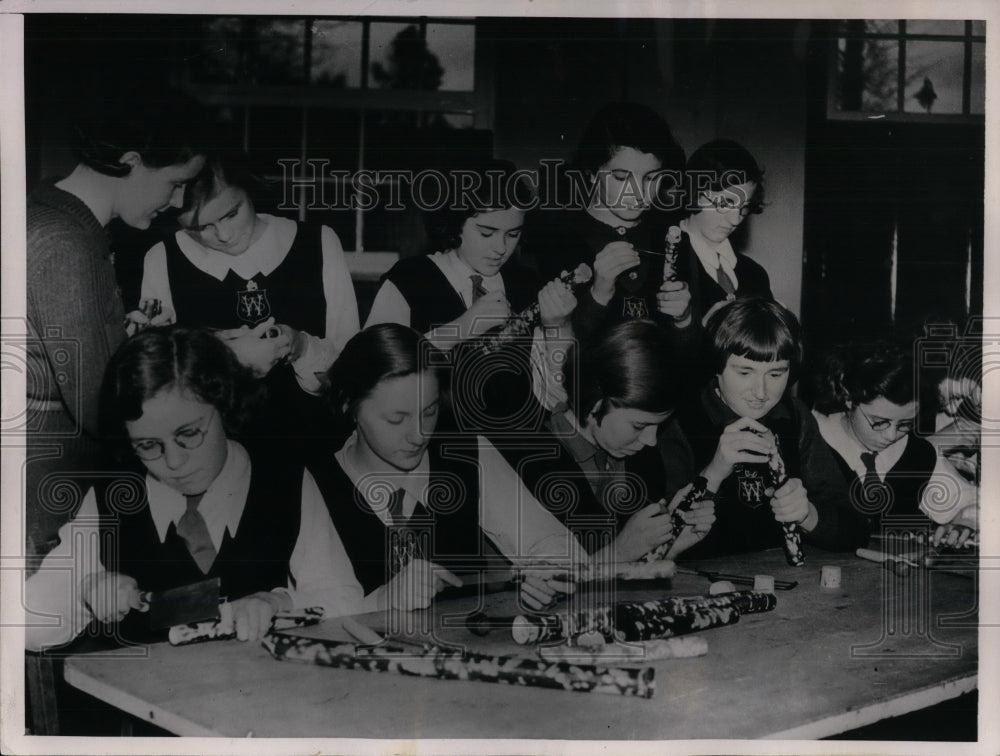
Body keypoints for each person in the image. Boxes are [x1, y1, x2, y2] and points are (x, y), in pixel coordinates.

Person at [24, 327, 364, 652]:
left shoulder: (285, 480)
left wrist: (280, 601)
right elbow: (28, 623)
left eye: (189, 434)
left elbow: (345, 598)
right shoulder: (113, 494)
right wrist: (86, 589)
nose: (174, 462)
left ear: (224, 403)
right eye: (147, 445)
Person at [25, 89, 206, 563]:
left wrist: (124, 337)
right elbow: (97, 407)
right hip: (38, 509)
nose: (178, 201)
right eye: (175, 182)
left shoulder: (55, 209)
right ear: (130, 160)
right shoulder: (65, 241)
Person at [309, 324, 589, 612]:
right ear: (347, 405)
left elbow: (554, 543)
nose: (419, 435)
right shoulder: (313, 485)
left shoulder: (464, 453)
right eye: (396, 419)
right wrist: (382, 601)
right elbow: (309, 613)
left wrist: (549, 571)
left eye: (429, 412)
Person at [139, 146, 360, 449]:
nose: (225, 235)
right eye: (200, 228)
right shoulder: (162, 258)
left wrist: (300, 347)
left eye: (232, 213)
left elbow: (356, 370)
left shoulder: (319, 242)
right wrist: (222, 355)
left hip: (312, 443)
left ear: (249, 187)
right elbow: (157, 382)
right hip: (211, 451)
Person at [365, 159, 576, 431]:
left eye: (513, 234)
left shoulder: (526, 286)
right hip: (430, 441)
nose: (501, 248)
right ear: (455, 223)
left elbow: (554, 397)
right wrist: (460, 328)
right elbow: (369, 370)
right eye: (487, 233)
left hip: (514, 440)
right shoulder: (410, 278)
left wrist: (559, 328)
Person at [658, 298, 869, 559]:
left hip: (784, 583)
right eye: (745, 373)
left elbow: (856, 528)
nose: (761, 392)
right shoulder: (679, 421)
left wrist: (809, 515)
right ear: (717, 366)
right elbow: (657, 546)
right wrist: (712, 474)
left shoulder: (794, 416)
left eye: (776, 374)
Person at [540, 320, 716, 563]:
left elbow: (635, 578)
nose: (651, 441)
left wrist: (671, 543)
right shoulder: (532, 461)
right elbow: (522, 592)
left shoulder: (637, 454)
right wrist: (619, 553)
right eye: (639, 425)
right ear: (595, 406)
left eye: (658, 426)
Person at [524, 102, 690, 343]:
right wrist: (597, 296)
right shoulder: (552, 241)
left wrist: (684, 321)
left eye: (652, 178)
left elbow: (695, 363)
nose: (638, 192)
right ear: (591, 172)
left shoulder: (674, 239)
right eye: (621, 177)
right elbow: (550, 360)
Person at [811, 339, 977, 538]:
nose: (891, 436)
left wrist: (965, 522)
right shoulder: (811, 440)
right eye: (879, 422)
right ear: (848, 398)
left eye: (905, 424)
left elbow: (973, 501)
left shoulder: (918, 454)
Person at [672, 139, 773, 326]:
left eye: (744, 207)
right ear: (695, 192)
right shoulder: (662, 262)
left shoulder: (755, 275)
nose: (735, 220)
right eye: (726, 203)